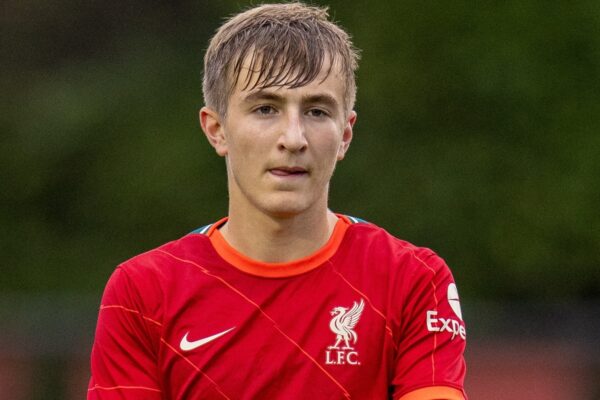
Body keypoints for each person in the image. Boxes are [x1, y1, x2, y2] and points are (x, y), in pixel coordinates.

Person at [87, 3, 467, 399]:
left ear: (346, 135)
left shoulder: (412, 280)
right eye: (265, 109)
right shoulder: (143, 292)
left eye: (317, 111)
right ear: (216, 130)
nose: (294, 137)